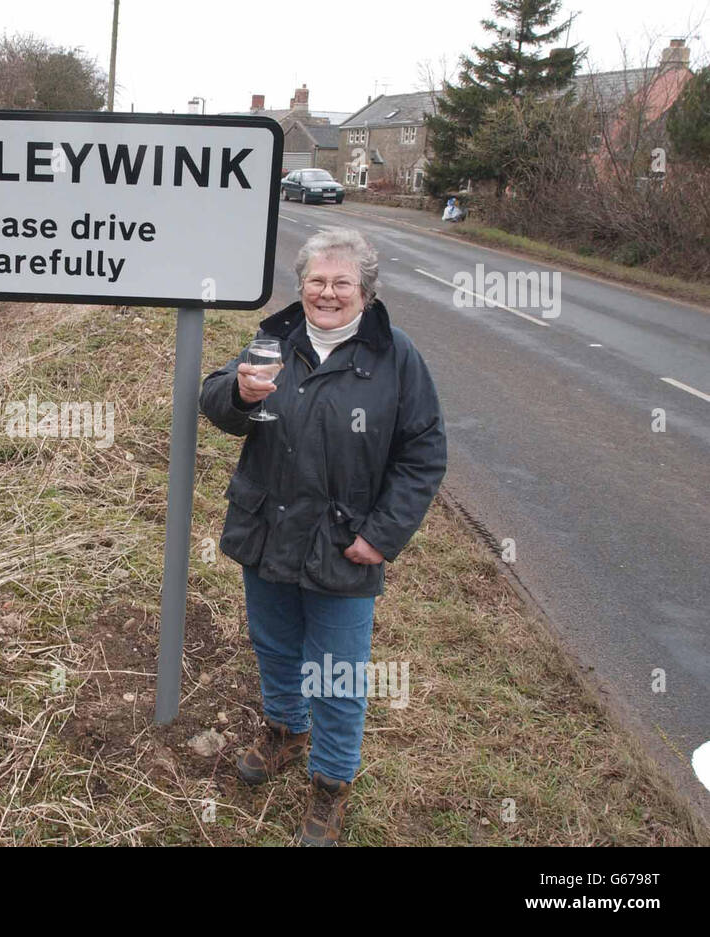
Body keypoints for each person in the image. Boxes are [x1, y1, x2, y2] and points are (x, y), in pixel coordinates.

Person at [199, 227, 446, 845]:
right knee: (275, 645)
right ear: (301, 285)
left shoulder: (397, 358)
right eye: (316, 281)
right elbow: (214, 400)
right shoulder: (274, 338)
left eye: (341, 283)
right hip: (269, 531)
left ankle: (331, 784)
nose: (327, 293)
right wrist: (237, 392)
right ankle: (286, 730)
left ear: (365, 291)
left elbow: (423, 453)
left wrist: (382, 537)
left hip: (344, 545)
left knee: (336, 671)